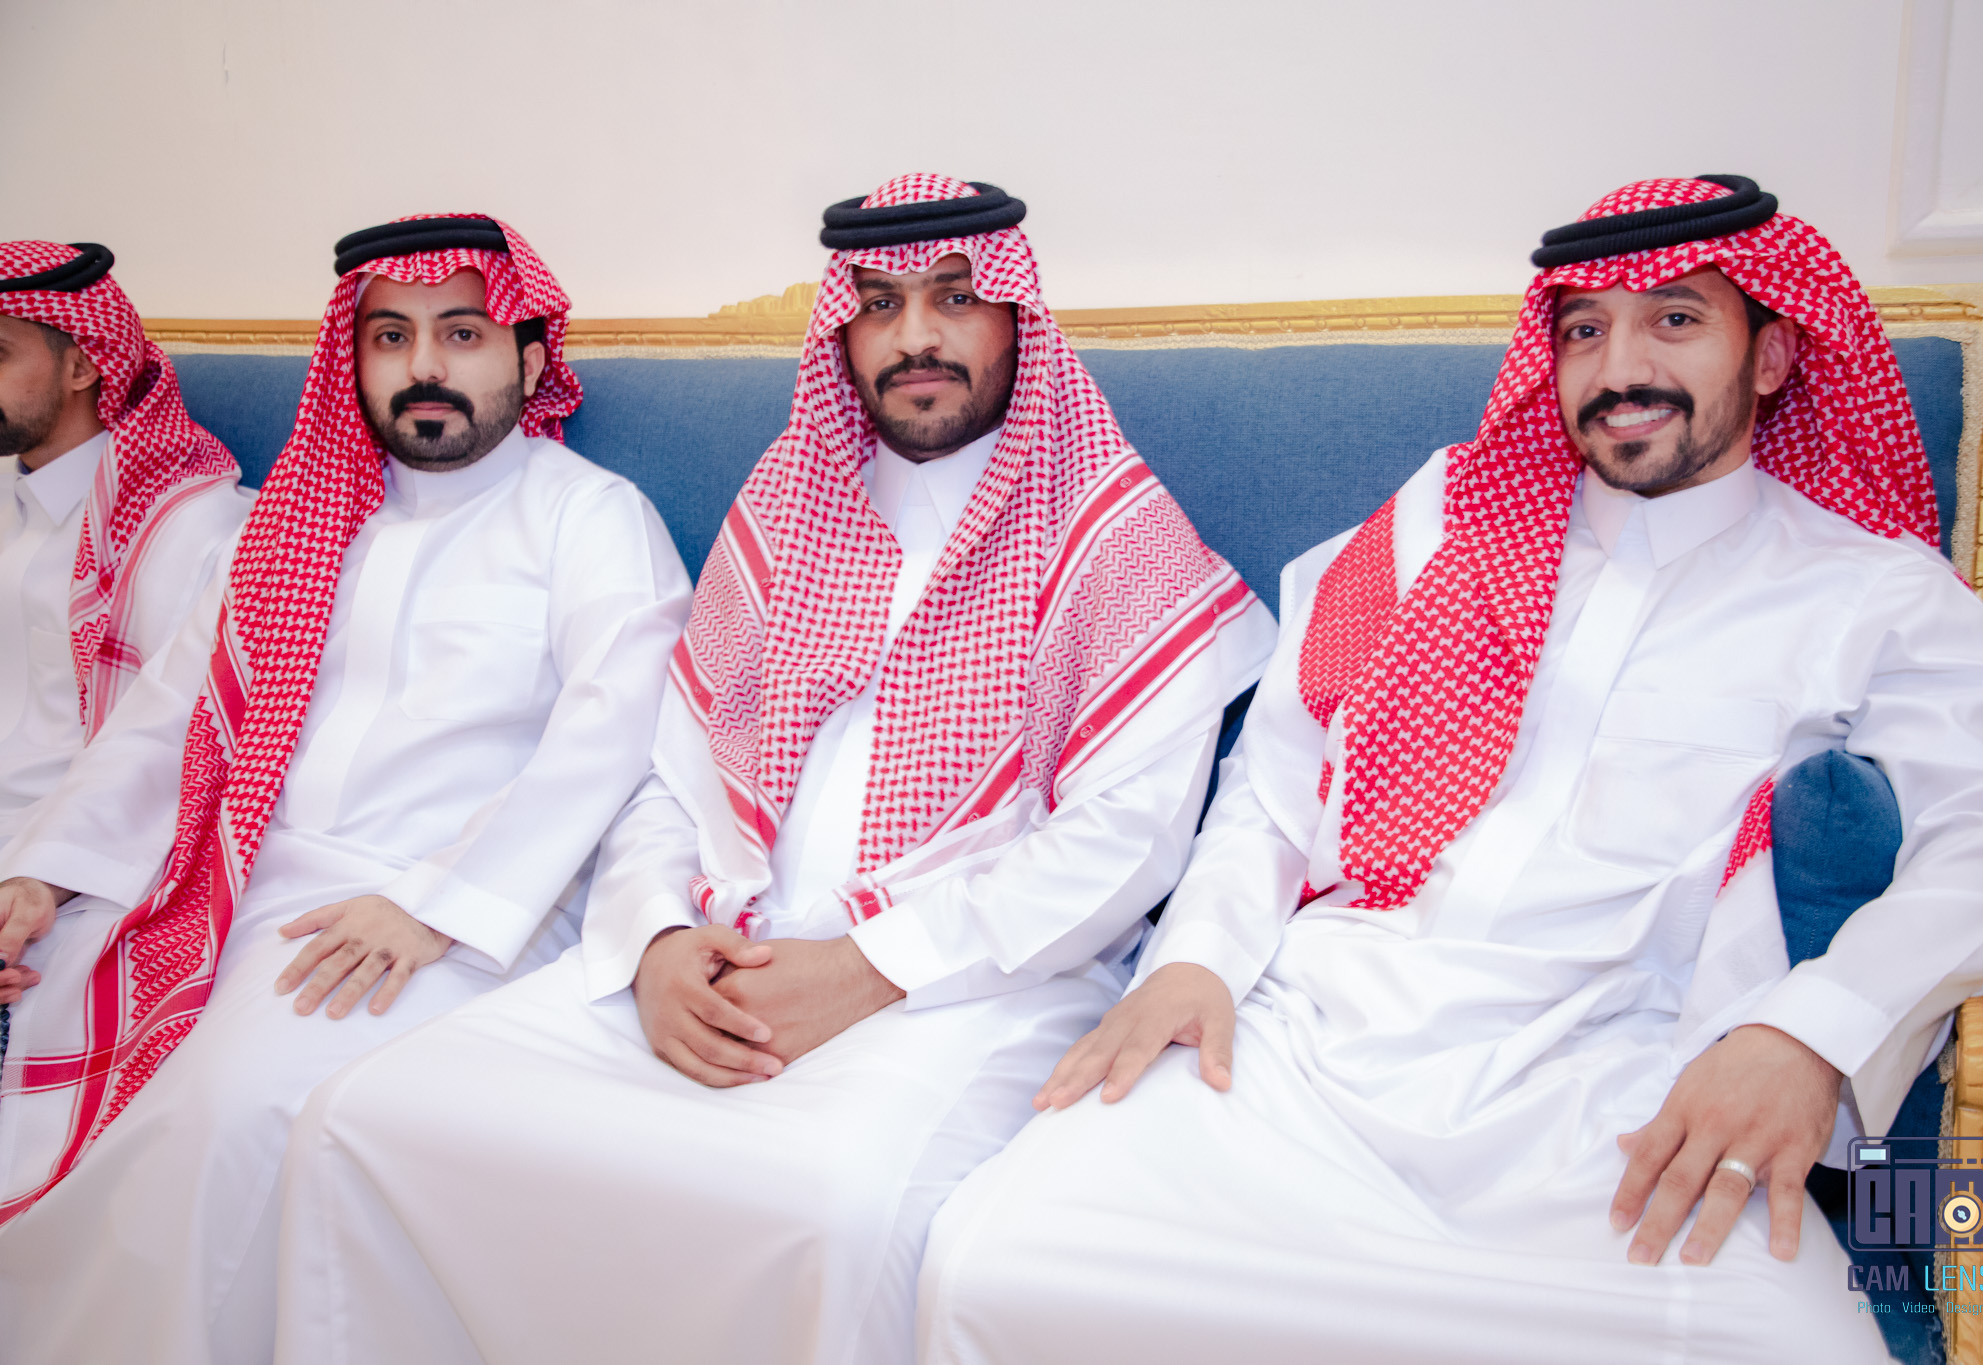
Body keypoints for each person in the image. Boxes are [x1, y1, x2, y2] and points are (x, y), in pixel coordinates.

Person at [916, 176, 1983, 1365]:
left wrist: (1804, 1036)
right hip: (1311, 1039)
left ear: (1768, 357)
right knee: (996, 1261)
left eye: (1673, 320)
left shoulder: (1871, 592)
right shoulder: (1436, 525)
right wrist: (1194, 956)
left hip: (1624, 1087)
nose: (1619, 368)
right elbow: (1276, 773)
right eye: (1583, 330)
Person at [273, 174, 1276, 1365]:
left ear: (1016, 318)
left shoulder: (1115, 537)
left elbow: (1124, 842)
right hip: (715, 955)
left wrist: (864, 970)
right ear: (839, 332)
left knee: (824, 1214)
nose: (914, 336)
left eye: (955, 298)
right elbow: (666, 776)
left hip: (968, 984)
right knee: (369, 1120)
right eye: (879, 304)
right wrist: (653, 944)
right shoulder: (784, 507)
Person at [0, 214, 692, 1365]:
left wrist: (435, 902)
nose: (423, 366)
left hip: (453, 909)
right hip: (239, 878)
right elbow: (168, 712)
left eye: (460, 334)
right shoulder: (298, 520)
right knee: (56, 1013)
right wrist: (44, 873)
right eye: (390, 337)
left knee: (225, 1114)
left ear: (527, 361)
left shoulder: (586, 515)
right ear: (352, 360)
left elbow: (611, 732)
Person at [0, 238, 246, 897]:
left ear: (82, 366)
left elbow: (167, 747)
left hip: (61, 860)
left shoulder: (187, 532)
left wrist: (42, 875)